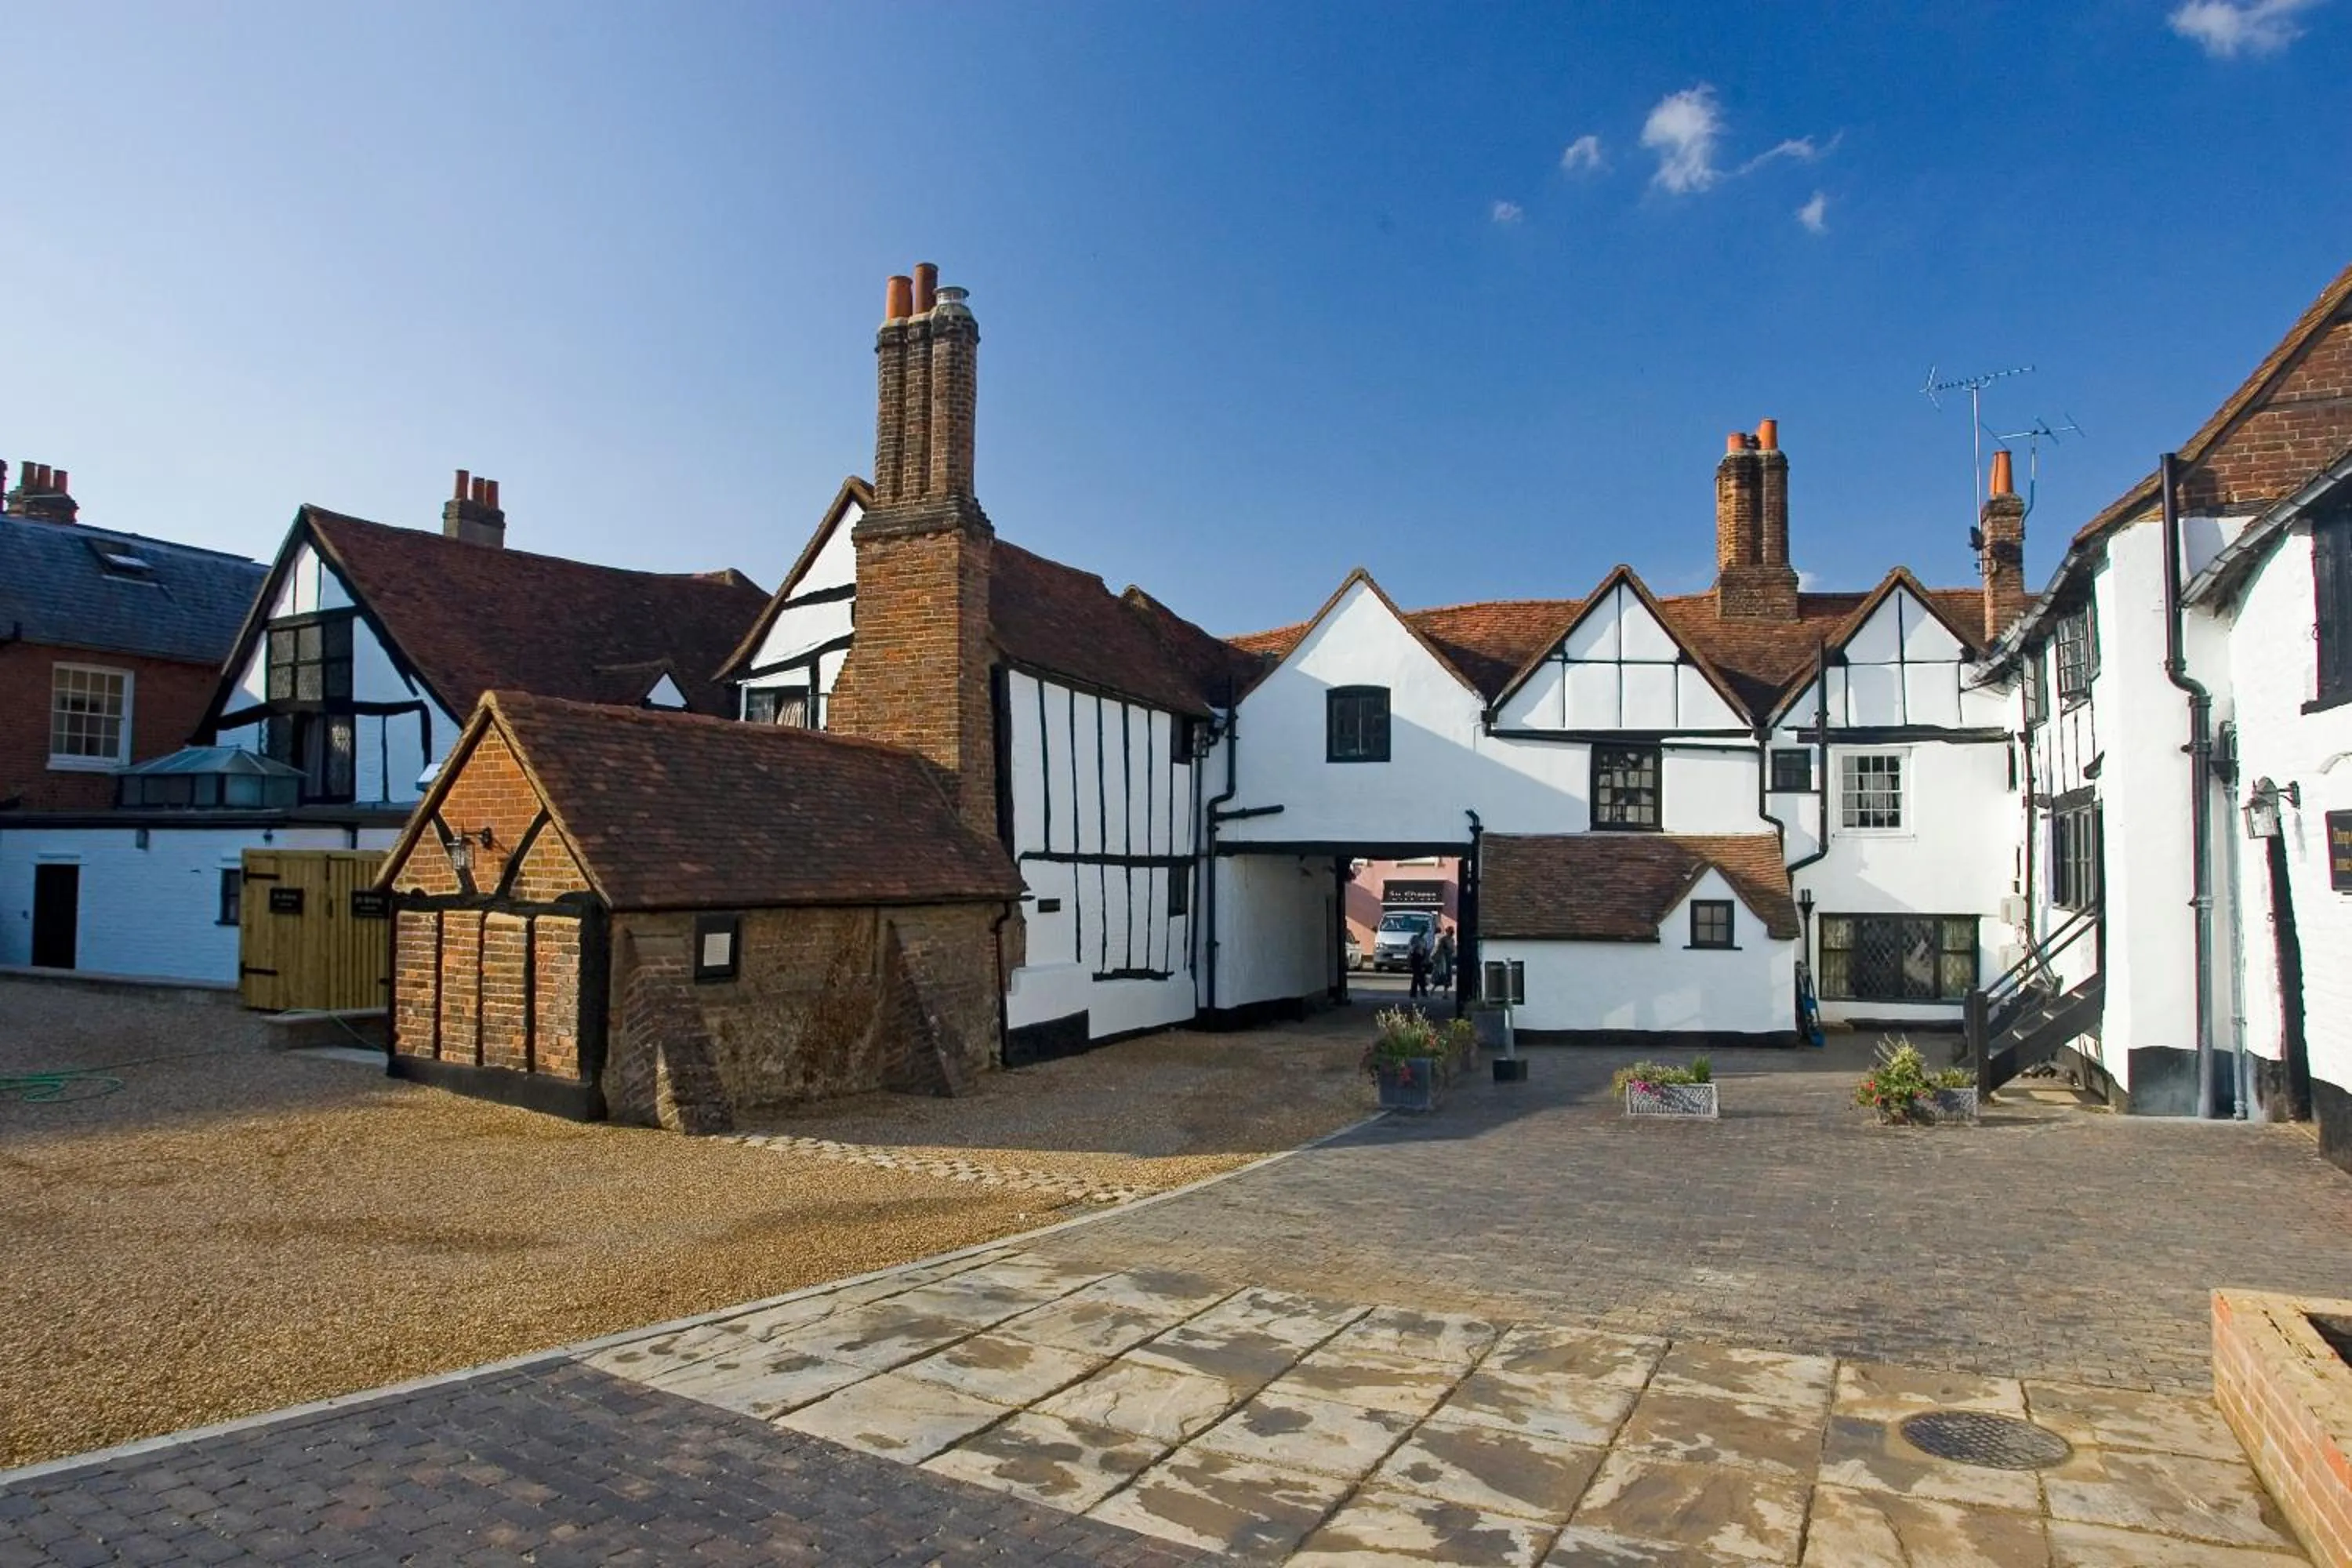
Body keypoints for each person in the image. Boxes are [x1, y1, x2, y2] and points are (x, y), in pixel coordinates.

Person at [1407, 929, 1429, 999]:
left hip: (1421, 958)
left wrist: (1425, 959)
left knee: (1418, 976)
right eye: (1422, 931)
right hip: (1415, 958)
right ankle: (1422, 993)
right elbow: (1411, 947)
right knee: (1418, 976)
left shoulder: (1423, 940)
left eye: (1424, 932)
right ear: (1420, 931)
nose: (1423, 933)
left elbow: (1425, 950)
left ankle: (1415, 993)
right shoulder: (1414, 938)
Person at [1433, 926, 1456, 993]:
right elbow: (1439, 949)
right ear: (1447, 932)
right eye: (1451, 932)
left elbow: (1453, 949)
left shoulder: (1452, 940)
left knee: (1448, 977)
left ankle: (1445, 993)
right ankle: (1433, 990)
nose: (1452, 933)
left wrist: (1451, 952)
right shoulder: (1443, 939)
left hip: (1449, 959)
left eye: (1452, 932)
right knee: (1441, 975)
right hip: (1443, 959)